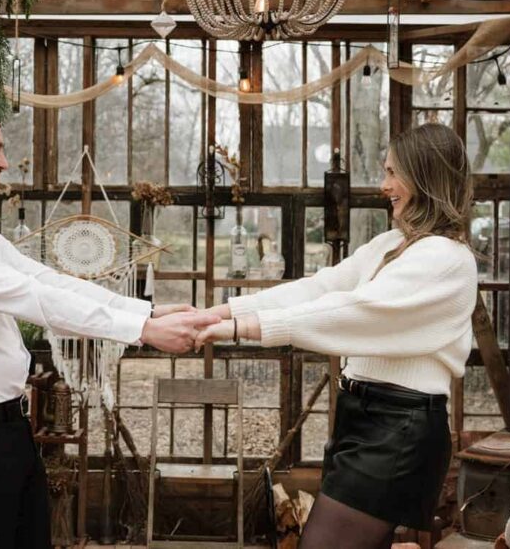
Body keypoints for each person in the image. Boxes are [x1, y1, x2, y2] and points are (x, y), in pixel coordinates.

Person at [0, 101, 219, 549]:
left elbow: (44, 278)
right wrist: (141, 332)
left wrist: (144, 312)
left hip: (5, 434)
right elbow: (33, 298)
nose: (4, 162)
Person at [197, 123, 478, 549]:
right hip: (362, 416)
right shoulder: (394, 243)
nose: (384, 186)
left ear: (425, 177)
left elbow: (356, 312)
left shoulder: (446, 258)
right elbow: (323, 287)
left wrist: (244, 328)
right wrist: (223, 311)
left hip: (398, 429)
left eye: (392, 173)